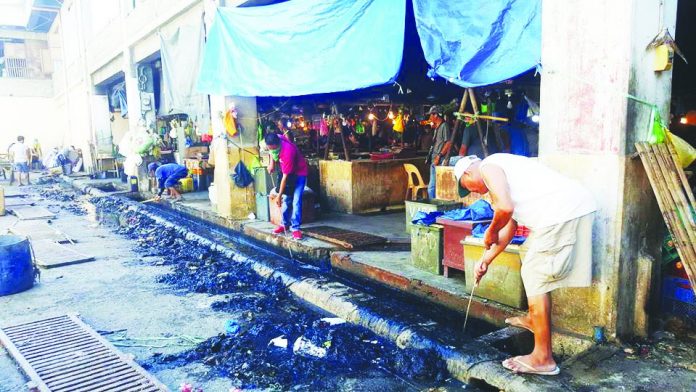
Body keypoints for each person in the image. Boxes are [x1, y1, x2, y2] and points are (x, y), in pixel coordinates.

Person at [454, 154, 597, 376]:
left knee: (535, 274)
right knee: (528, 252)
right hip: (570, 209)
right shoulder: (500, 172)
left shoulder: (489, 167)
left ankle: (543, 358)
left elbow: (505, 209)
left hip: (561, 214)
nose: (473, 192)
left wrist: (490, 231)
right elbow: (509, 228)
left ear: (468, 173)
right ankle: (533, 319)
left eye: (467, 187)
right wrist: (485, 260)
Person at [265, 132, 308, 240]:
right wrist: (271, 164)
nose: (271, 150)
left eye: (273, 148)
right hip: (289, 173)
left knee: (296, 200)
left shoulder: (288, 152)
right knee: (288, 199)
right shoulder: (276, 137)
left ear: (277, 144)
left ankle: (295, 228)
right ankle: (284, 224)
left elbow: (285, 177)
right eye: (269, 148)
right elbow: (271, 151)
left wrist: (279, 196)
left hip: (299, 174)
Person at [427, 105, 451, 199]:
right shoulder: (436, 127)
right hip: (434, 159)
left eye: (431, 115)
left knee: (431, 187)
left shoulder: (444, 126)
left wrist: (439, 156)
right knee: (434, 186)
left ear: (436, 115)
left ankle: (432, 206)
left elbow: (448, 143)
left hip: (439, 159)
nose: (430, 117)